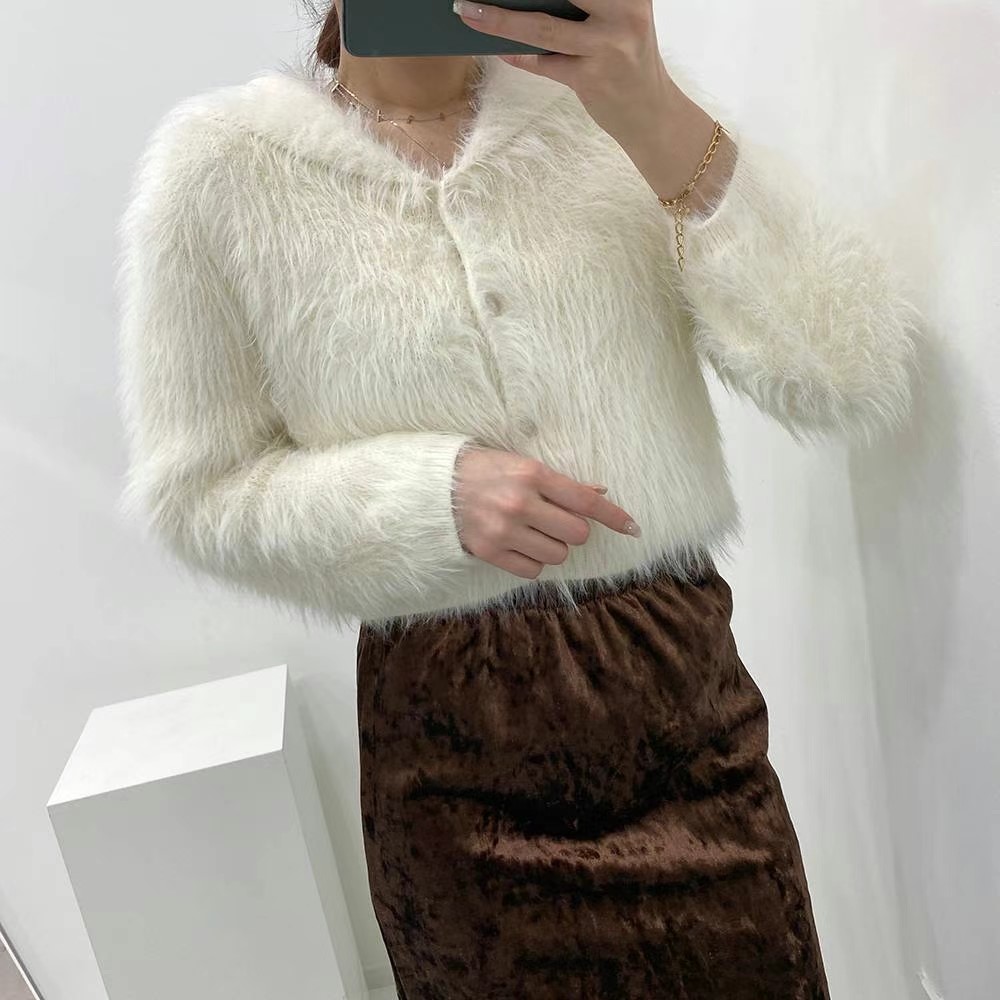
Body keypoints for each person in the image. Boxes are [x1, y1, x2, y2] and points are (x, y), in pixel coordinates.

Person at [115, 0, 924, 996]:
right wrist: (425, 497)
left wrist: (658, 116)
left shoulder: (604, 109)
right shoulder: (220, 170)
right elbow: (196, 491)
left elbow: (847, 371)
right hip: (451, 752)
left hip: (680, 709)